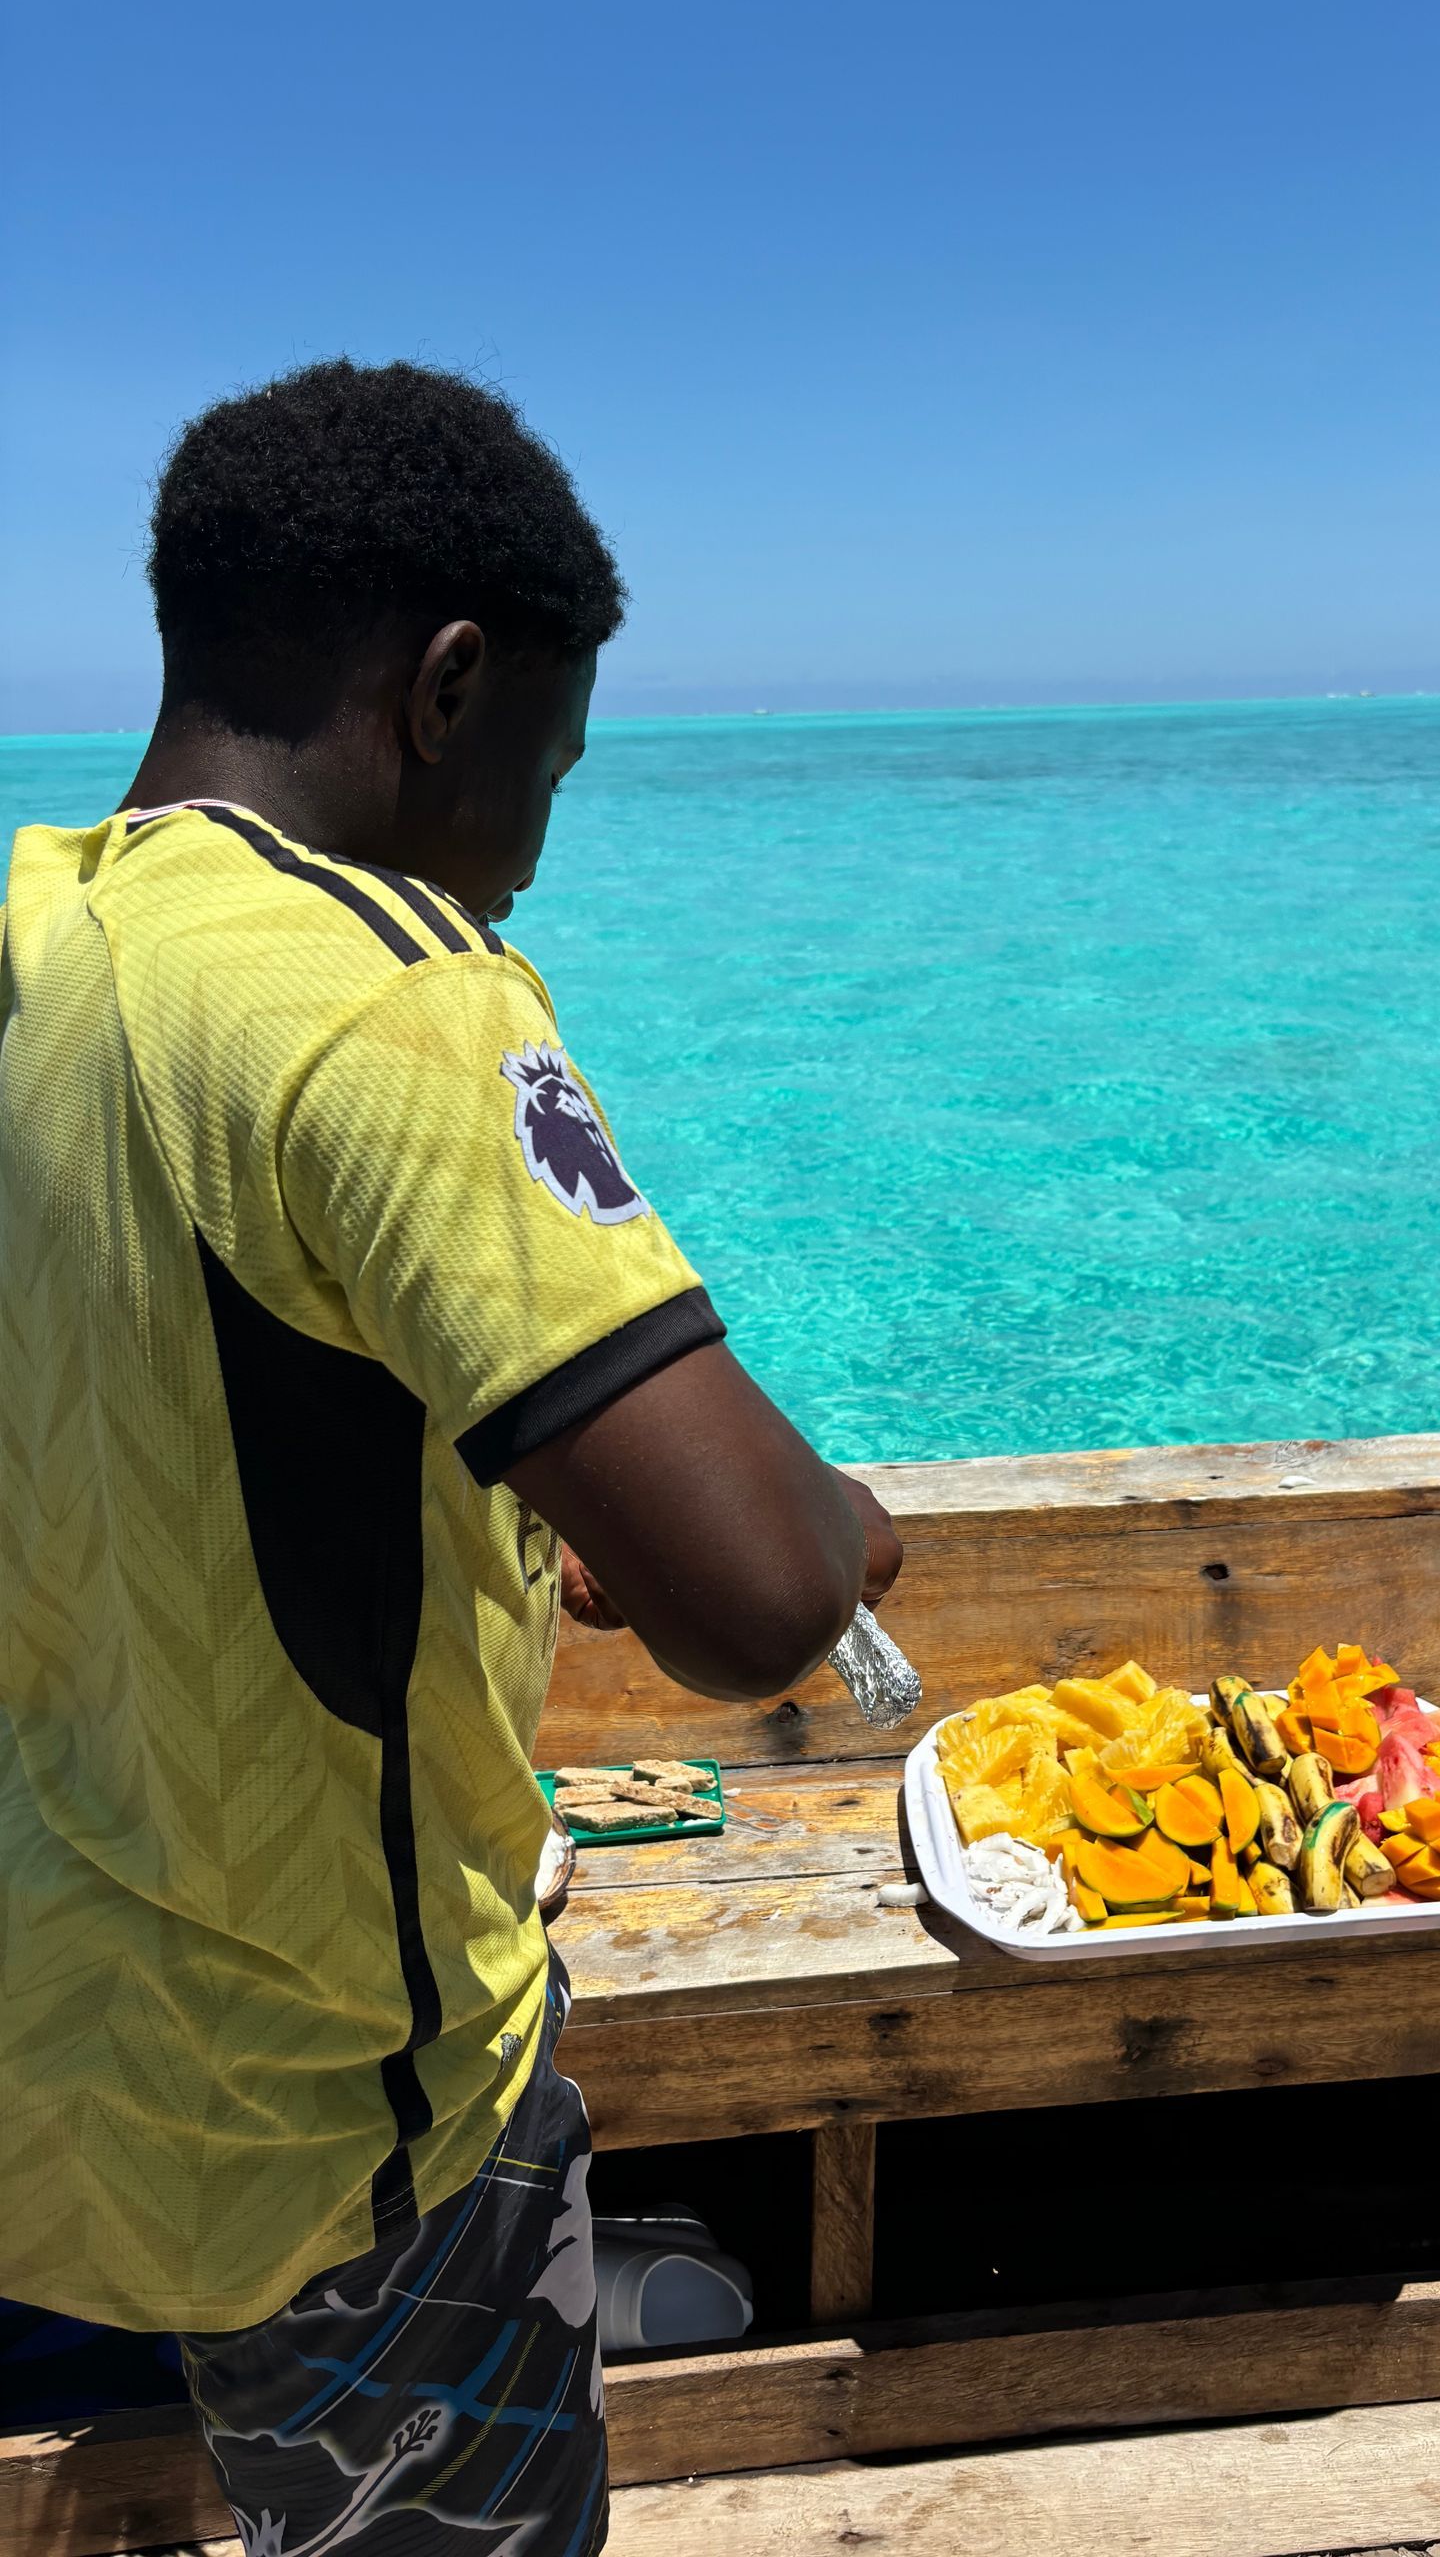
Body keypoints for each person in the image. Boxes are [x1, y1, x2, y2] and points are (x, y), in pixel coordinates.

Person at [0, 358, 901, 2553]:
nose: (539, 832)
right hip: (341, 2116)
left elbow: (166, 1365)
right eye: (552, 765)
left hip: (64, 2033)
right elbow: (756, 1598)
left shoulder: (43, 928)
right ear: (448, 686)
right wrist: (849, 1522)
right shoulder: (396, 990)